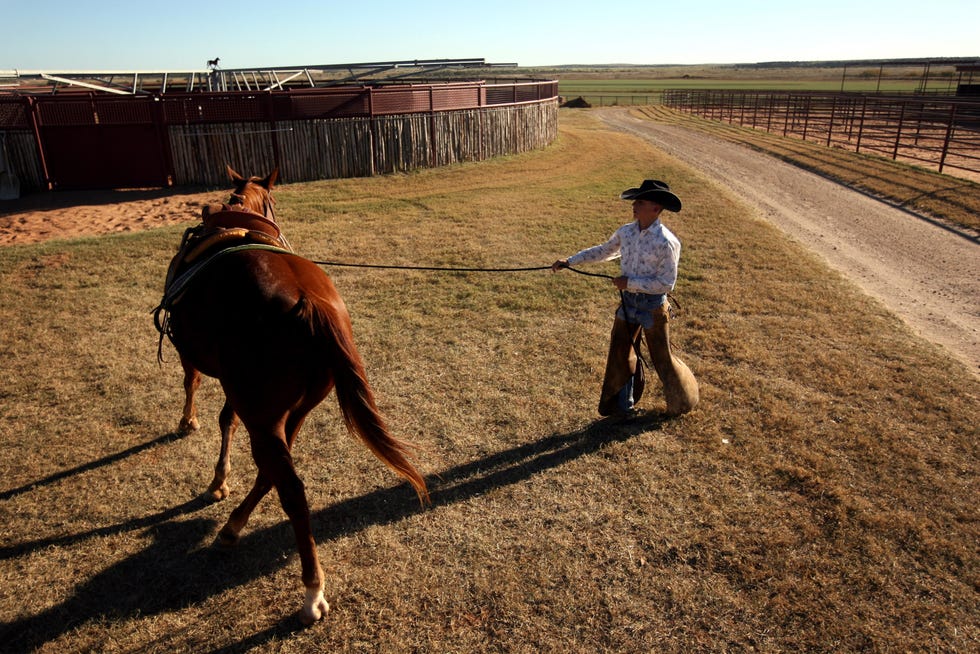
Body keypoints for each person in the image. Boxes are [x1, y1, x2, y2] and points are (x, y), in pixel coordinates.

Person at [552, 179, 699, 418]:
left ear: (656, 208)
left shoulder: (667, 242)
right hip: (629, 303)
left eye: (640, 201)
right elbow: (604, 250)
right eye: (635, 201)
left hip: (653, 307)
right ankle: (622, 407)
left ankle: (682, 401)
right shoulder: (627, 232)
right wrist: (570, 261)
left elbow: (665, 283)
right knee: (620, 354)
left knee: (662, 358)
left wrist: (629, 283)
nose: (635, 205)